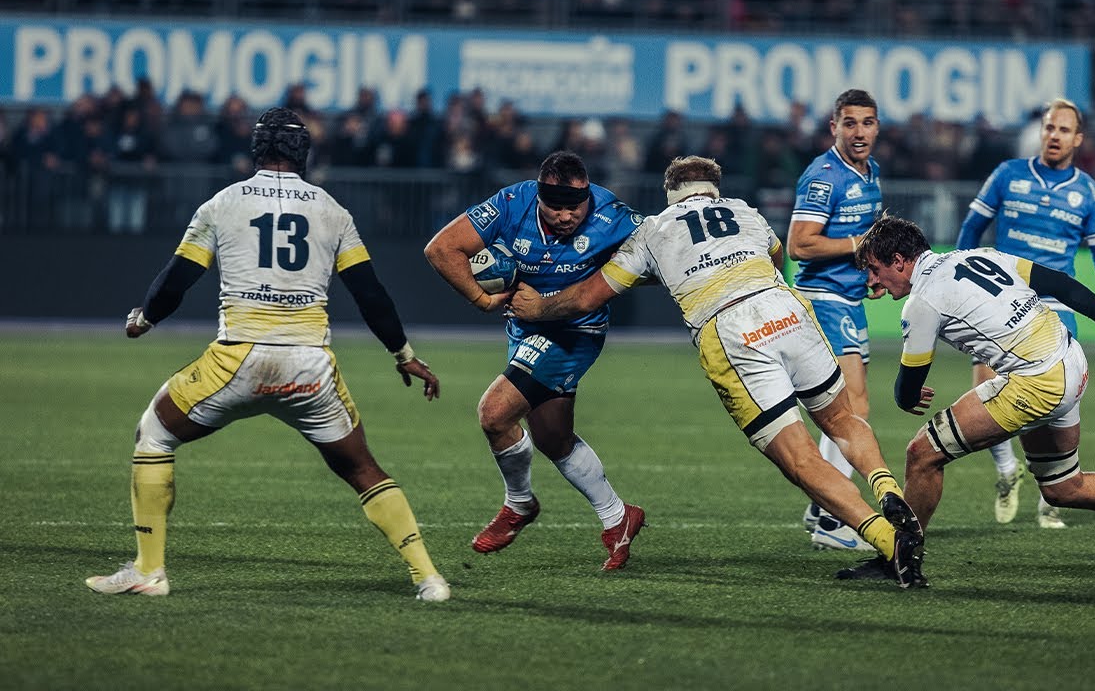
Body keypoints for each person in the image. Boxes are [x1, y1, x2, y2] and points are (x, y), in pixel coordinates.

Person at [85, 108, 451, 602]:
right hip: (311, 367)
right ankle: (429, 577)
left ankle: (149, 571)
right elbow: (371, 294)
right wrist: (402, 353)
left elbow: (177, 279)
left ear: (257, 149)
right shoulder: (332, 210)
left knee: (154, 433)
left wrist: (145, 319)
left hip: (238, 359)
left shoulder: (223, 204)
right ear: (305, 152)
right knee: (362, 468)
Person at [508, 156, 927, 587]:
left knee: (799, 457)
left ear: (669, 192)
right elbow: (777, 255)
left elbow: (587, 299)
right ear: (715, 190)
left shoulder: (653, 230)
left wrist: (540, 307)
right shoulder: (746, 211)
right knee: (842, 419)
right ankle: (890, 493)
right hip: (786, 307)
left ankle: (888, 540)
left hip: (732, 328)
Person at [845, 215, 1095, 583]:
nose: (871, 280)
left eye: (876, 270)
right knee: (1063, 486)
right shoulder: (978, 255)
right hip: (1069, 360)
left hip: (1037, 379)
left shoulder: (922, 303)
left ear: (900, 261)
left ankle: (900, 559)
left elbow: (907, 389)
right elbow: (1060, 283)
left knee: (922, 454)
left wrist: (907, 394)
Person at [424, 151, 646, 571]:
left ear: (587, 196)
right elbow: (442, 248)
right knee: (553, 437)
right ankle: (619, 518)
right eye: (555, 207)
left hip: (574, 333)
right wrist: (481, 299)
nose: (566, 216)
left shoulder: (612, 213)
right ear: (539, 197)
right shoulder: (512, 203)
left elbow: (660, 248)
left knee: (494, 414)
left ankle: (519, 504)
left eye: (574, 207)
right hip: (524, 331)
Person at [956, 98, 1095, 529]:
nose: (1054, 136)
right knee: (988, 388)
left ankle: (1055, 490)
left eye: (1064, 130)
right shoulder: (1009, 175)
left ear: (1078, 139)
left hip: (1054, 305)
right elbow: (971, 230)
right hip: (1000, 297)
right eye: (1050, 127)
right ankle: (1005, 471)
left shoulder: (1086, 191)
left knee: (1056, 401)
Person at [787, 88, 885, 551]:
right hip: (821, 298)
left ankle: (823, 506)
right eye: (850, 123)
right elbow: (799, 244)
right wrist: (859, 245)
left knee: (846, 409)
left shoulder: (872, 175)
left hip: (848, 298)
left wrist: (873, 272)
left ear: (877, 127)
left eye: (866, 123)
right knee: (852, 408)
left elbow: (861, 244)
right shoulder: (824, 177)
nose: (859, 132)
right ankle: (831, 518)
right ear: (834, 127)